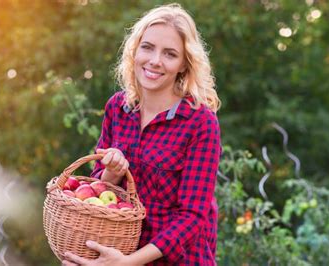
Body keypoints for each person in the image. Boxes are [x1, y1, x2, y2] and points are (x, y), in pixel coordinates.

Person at [62, 3, 221, 266]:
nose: (155, 61)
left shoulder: (200, 122)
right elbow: (99, 189)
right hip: (119, 248)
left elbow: (192, 215)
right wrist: (112, 171)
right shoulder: (118, 108)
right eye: (147, 47)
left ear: (183, 64)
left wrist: (130, 262)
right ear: (135, 51)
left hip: (177, 259)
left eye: (170, 54)